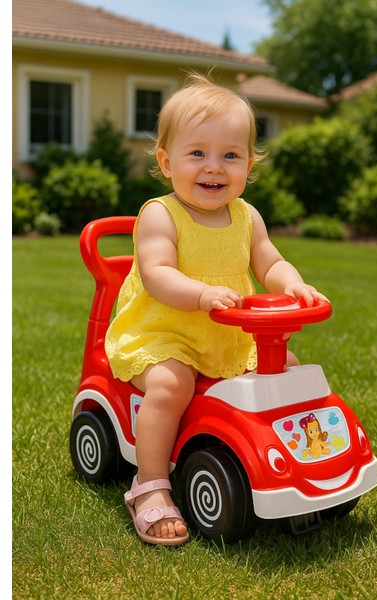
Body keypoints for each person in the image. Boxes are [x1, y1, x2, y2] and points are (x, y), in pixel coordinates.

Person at [105, 73, 328, 546]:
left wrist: (293, 283)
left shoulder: (247, 216)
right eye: (197, 153)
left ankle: (301, 458)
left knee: (288, 368)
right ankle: (150, 485)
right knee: (172, 384)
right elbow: (157, 273)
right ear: (166, 162)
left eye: (230, 155)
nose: (215, 167)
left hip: (227, 337)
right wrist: (202, 294)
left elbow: (270, 262)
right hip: (166, 333)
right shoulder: (161, 214)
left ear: (249, 163)